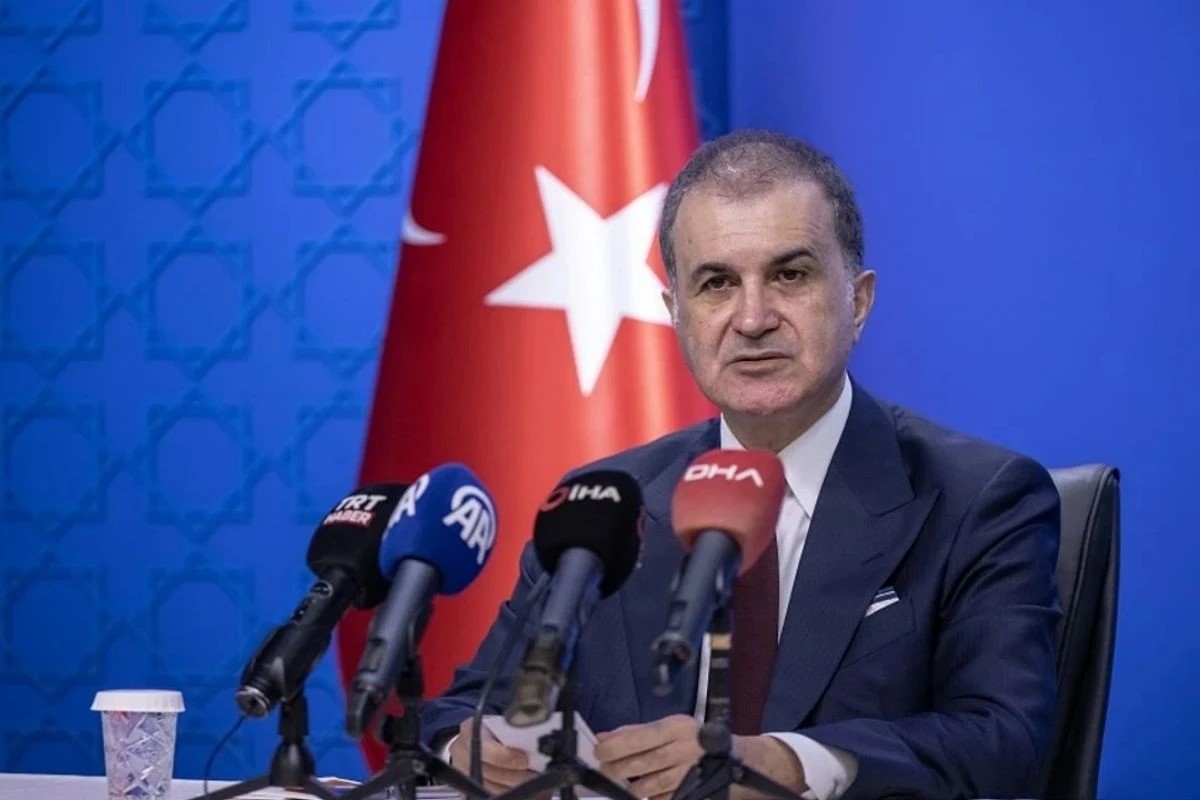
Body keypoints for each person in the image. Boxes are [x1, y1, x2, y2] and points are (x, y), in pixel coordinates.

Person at [420, 129, 1061, 800]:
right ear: (676, 314)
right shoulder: (606, 505)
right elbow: (465, 706)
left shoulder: (979, 499)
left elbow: (1003, 742)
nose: (752, 318)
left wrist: (784, 763)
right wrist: (468, 746)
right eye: (717, 283)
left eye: (790, 275)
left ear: (859, 302)